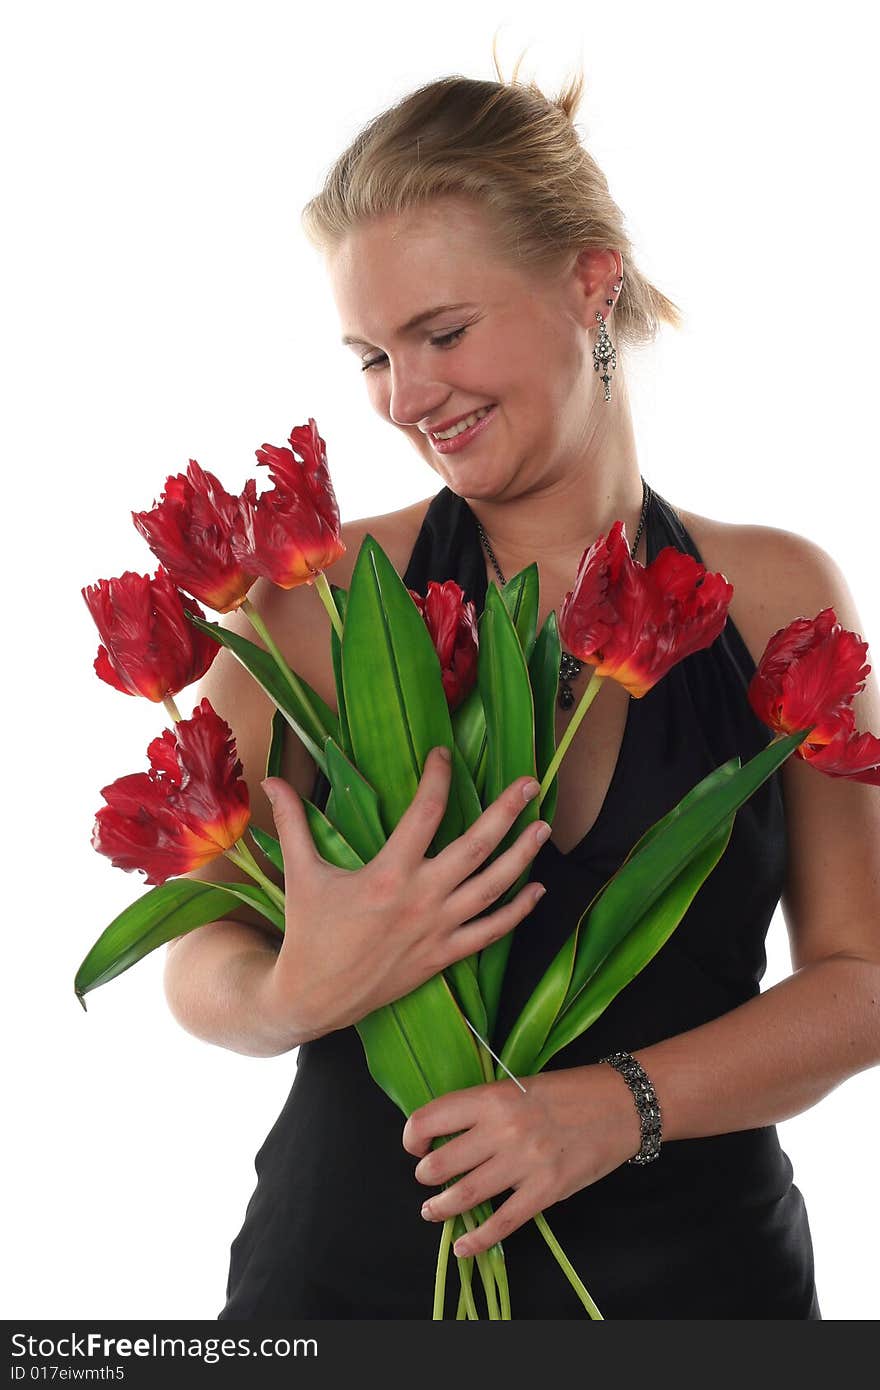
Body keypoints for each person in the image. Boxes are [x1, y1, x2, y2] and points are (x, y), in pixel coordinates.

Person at [162, 54, 880, 1319]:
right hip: (348, 1286)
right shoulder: (324, 596)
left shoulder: (775, 591)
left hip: (699, 1287)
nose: (407, 398)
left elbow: (859, 978)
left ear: (588, 280)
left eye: (441, 333)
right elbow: (193, 951)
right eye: (371, 356)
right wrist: (293, 988)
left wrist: (613, 1110)